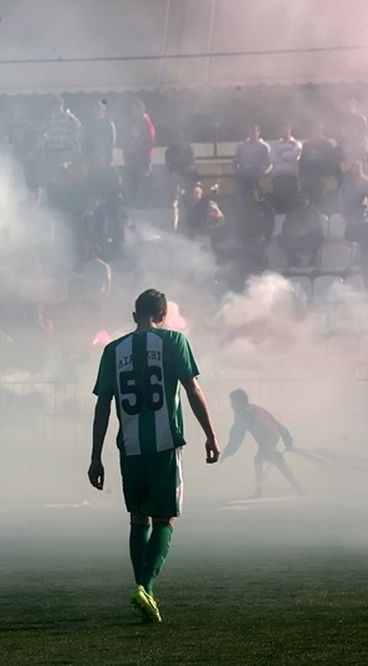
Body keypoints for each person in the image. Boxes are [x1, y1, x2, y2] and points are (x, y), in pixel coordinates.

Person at [88, 289, 220, 624]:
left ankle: (143, 591)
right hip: (164, 445)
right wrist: (211, 435)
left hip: (129, 447)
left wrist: (95, 456)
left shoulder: (113, 350)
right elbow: (192, 389)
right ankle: (145, 587)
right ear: (163, 316)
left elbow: (102, 404)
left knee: (137, 518)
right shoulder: (174, 342)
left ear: (135, 316)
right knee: (165, 518)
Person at [223, 389, 303, 497]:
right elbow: (277, 423)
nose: (231, 406)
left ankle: (260, 491)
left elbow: (236, 436)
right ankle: (297, 488)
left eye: (233, 402)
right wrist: (288, 440)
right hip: (273, 437)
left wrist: (227, 453)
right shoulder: (256, 409)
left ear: (239, 402)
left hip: (266, 439)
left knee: (261, 461)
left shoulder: (243, 414)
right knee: (273, 462)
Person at [121, 99, 155, 206]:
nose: (133, 111)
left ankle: (142, 206)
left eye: (136, 109)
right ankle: (131, 204)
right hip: (130, 158)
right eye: (132, 109)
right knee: (130, 183)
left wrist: (147, 157)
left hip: (142, 158)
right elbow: (125, 138)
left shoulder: (146, 121)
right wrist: (125, 153)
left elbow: (150, 139)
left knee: (142, 183)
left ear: (141, 109)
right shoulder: (129, 122)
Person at [234, 124, 272, 195]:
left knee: (257, 200)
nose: (252, 134)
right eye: (250, 131)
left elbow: (269, 162)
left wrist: (264, 172)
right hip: (243, 177)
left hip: (257, 177)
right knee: (243, 200)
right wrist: (238, 172)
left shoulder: (264, 146)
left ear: (259, 132)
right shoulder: (241, 147)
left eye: (254, 131)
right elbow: (235, 161)